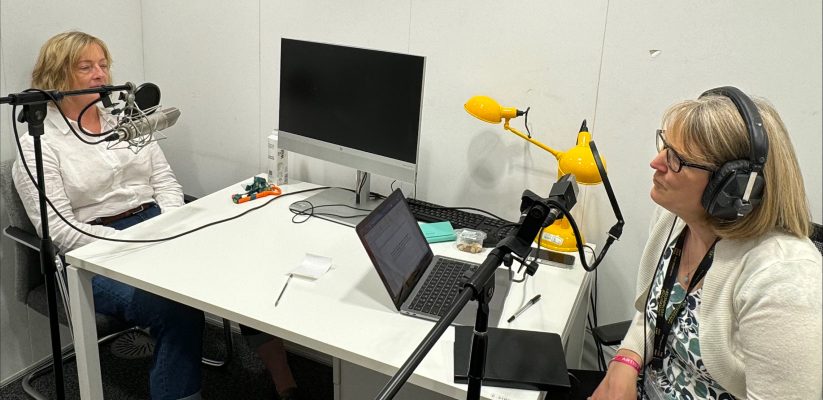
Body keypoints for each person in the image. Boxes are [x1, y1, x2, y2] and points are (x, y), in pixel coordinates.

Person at [12, 31, 301, 400]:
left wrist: (167, 223)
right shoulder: (39, 145)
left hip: (154, 224)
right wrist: (130, 243)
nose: (100, 74)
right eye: (86, 67)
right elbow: (60, 229)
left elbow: (164, 180)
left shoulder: (126, 120)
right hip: (94, 251)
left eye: (103, 65)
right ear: (55, 77)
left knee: (236, 266)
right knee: (174, 306)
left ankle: (285, 382)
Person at [590, 88, 821, 399]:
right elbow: (655, 312)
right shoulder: (674, 219)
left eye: (677, 160)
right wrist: (626, 358)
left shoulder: (784, 281)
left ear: (732, 187)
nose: (656, 162)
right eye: (665, 145)